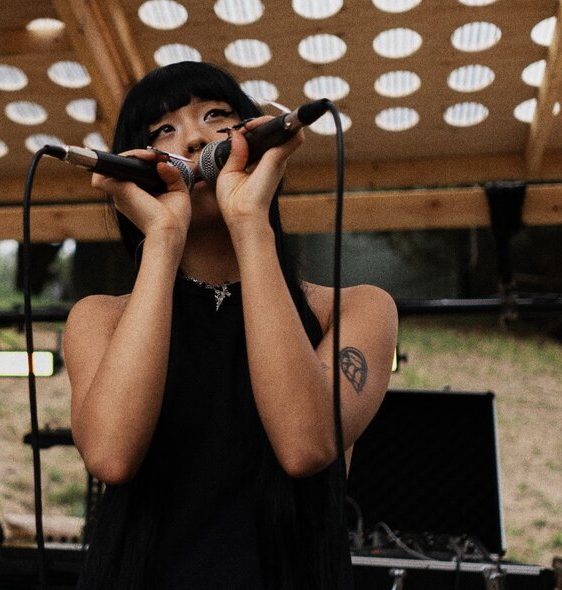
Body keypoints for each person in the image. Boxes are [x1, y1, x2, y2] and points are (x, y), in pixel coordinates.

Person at [63, 61, 398, 589]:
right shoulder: (99, 318)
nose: (194, 138)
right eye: (163, 131)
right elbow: (111, 457)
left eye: (215, 116)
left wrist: (249, 220)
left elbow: (305, 446)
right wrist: (163, 237)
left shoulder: (356, 309)